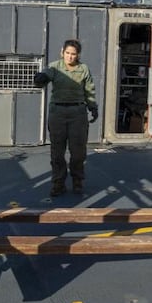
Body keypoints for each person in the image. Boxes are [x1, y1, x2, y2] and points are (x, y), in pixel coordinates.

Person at [34, 39, 98, 196]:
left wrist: (93, 107)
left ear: (78, 55)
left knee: (78, 152)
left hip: (77, 113)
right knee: (57, 152)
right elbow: (45, 76)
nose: (70, 57)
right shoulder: (55, 67)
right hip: (58, 113)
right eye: (67, 53)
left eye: (73, 54)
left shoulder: (83, 69)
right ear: (62, 52)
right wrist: (40, 78)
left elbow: (89, 91)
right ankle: (58, 183)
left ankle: (77, 181)